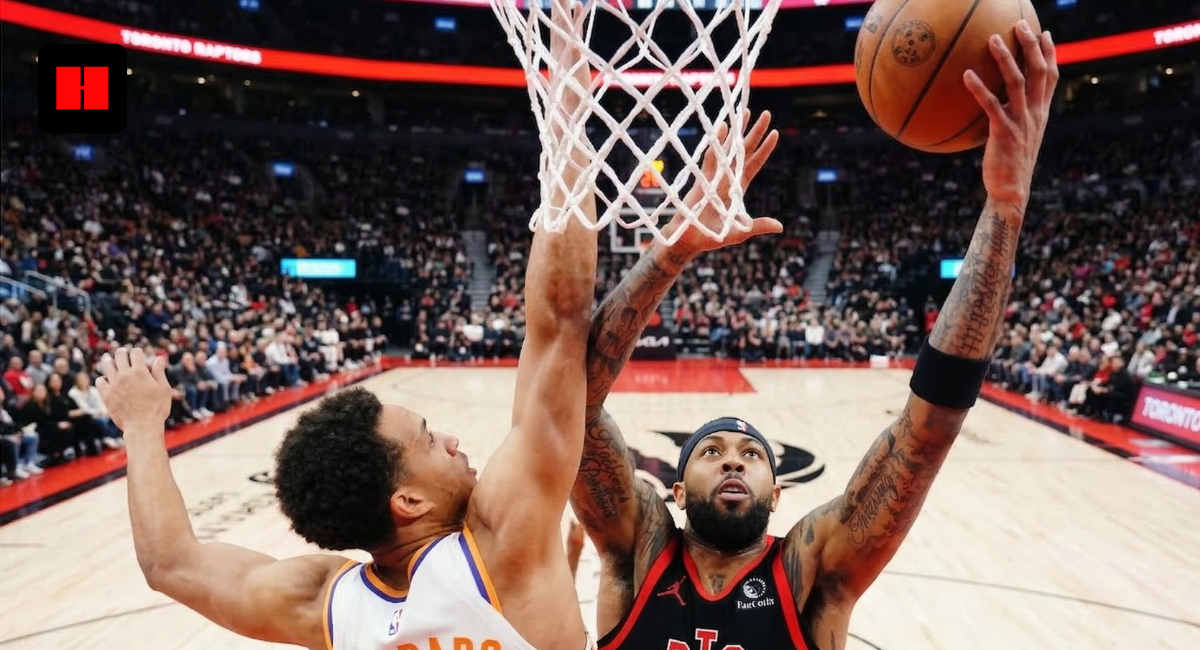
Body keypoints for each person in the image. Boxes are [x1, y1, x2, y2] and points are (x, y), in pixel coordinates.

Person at [96, 8, 599, 650]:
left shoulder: (322, 605)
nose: (448, 438)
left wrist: (141, 428)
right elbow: (558, 322)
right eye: (426, 440)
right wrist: (567, 104)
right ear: (409, 502)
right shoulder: (502, 541)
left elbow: (171, 563)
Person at [570, 22, 1057, 650]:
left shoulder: (813, 574)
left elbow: (927, 430)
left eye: (751, 457)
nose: (734, 461)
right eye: (711, 452)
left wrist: (1005, 208)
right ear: (674, 489)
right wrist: (673, 247)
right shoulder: (636, 550)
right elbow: (571, 405)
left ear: (778, 497)